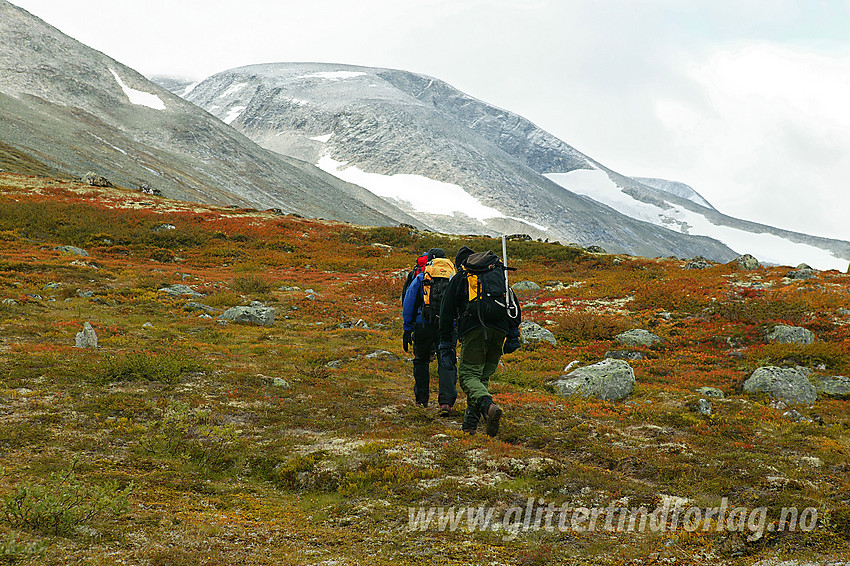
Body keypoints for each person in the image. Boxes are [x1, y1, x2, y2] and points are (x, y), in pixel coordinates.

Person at [438, 247, 521, 436]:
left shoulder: (462, 277)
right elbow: (513, 303)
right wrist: (513, 333)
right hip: (500, 330)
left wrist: (445, 343)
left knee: (468, 377)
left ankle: (488, 406)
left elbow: (446, 311)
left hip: (475, 330)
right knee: (481, 378)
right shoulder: (497, 275)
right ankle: (470, 426)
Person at [402, 248, 457, 414]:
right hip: (447, 326)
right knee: (446, 361)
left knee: (421, 360)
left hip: (423, 324)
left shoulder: (422, 276)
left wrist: (407, 328)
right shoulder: (453, 276)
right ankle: (446, 403)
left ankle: (421, 400)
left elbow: (409, 301)